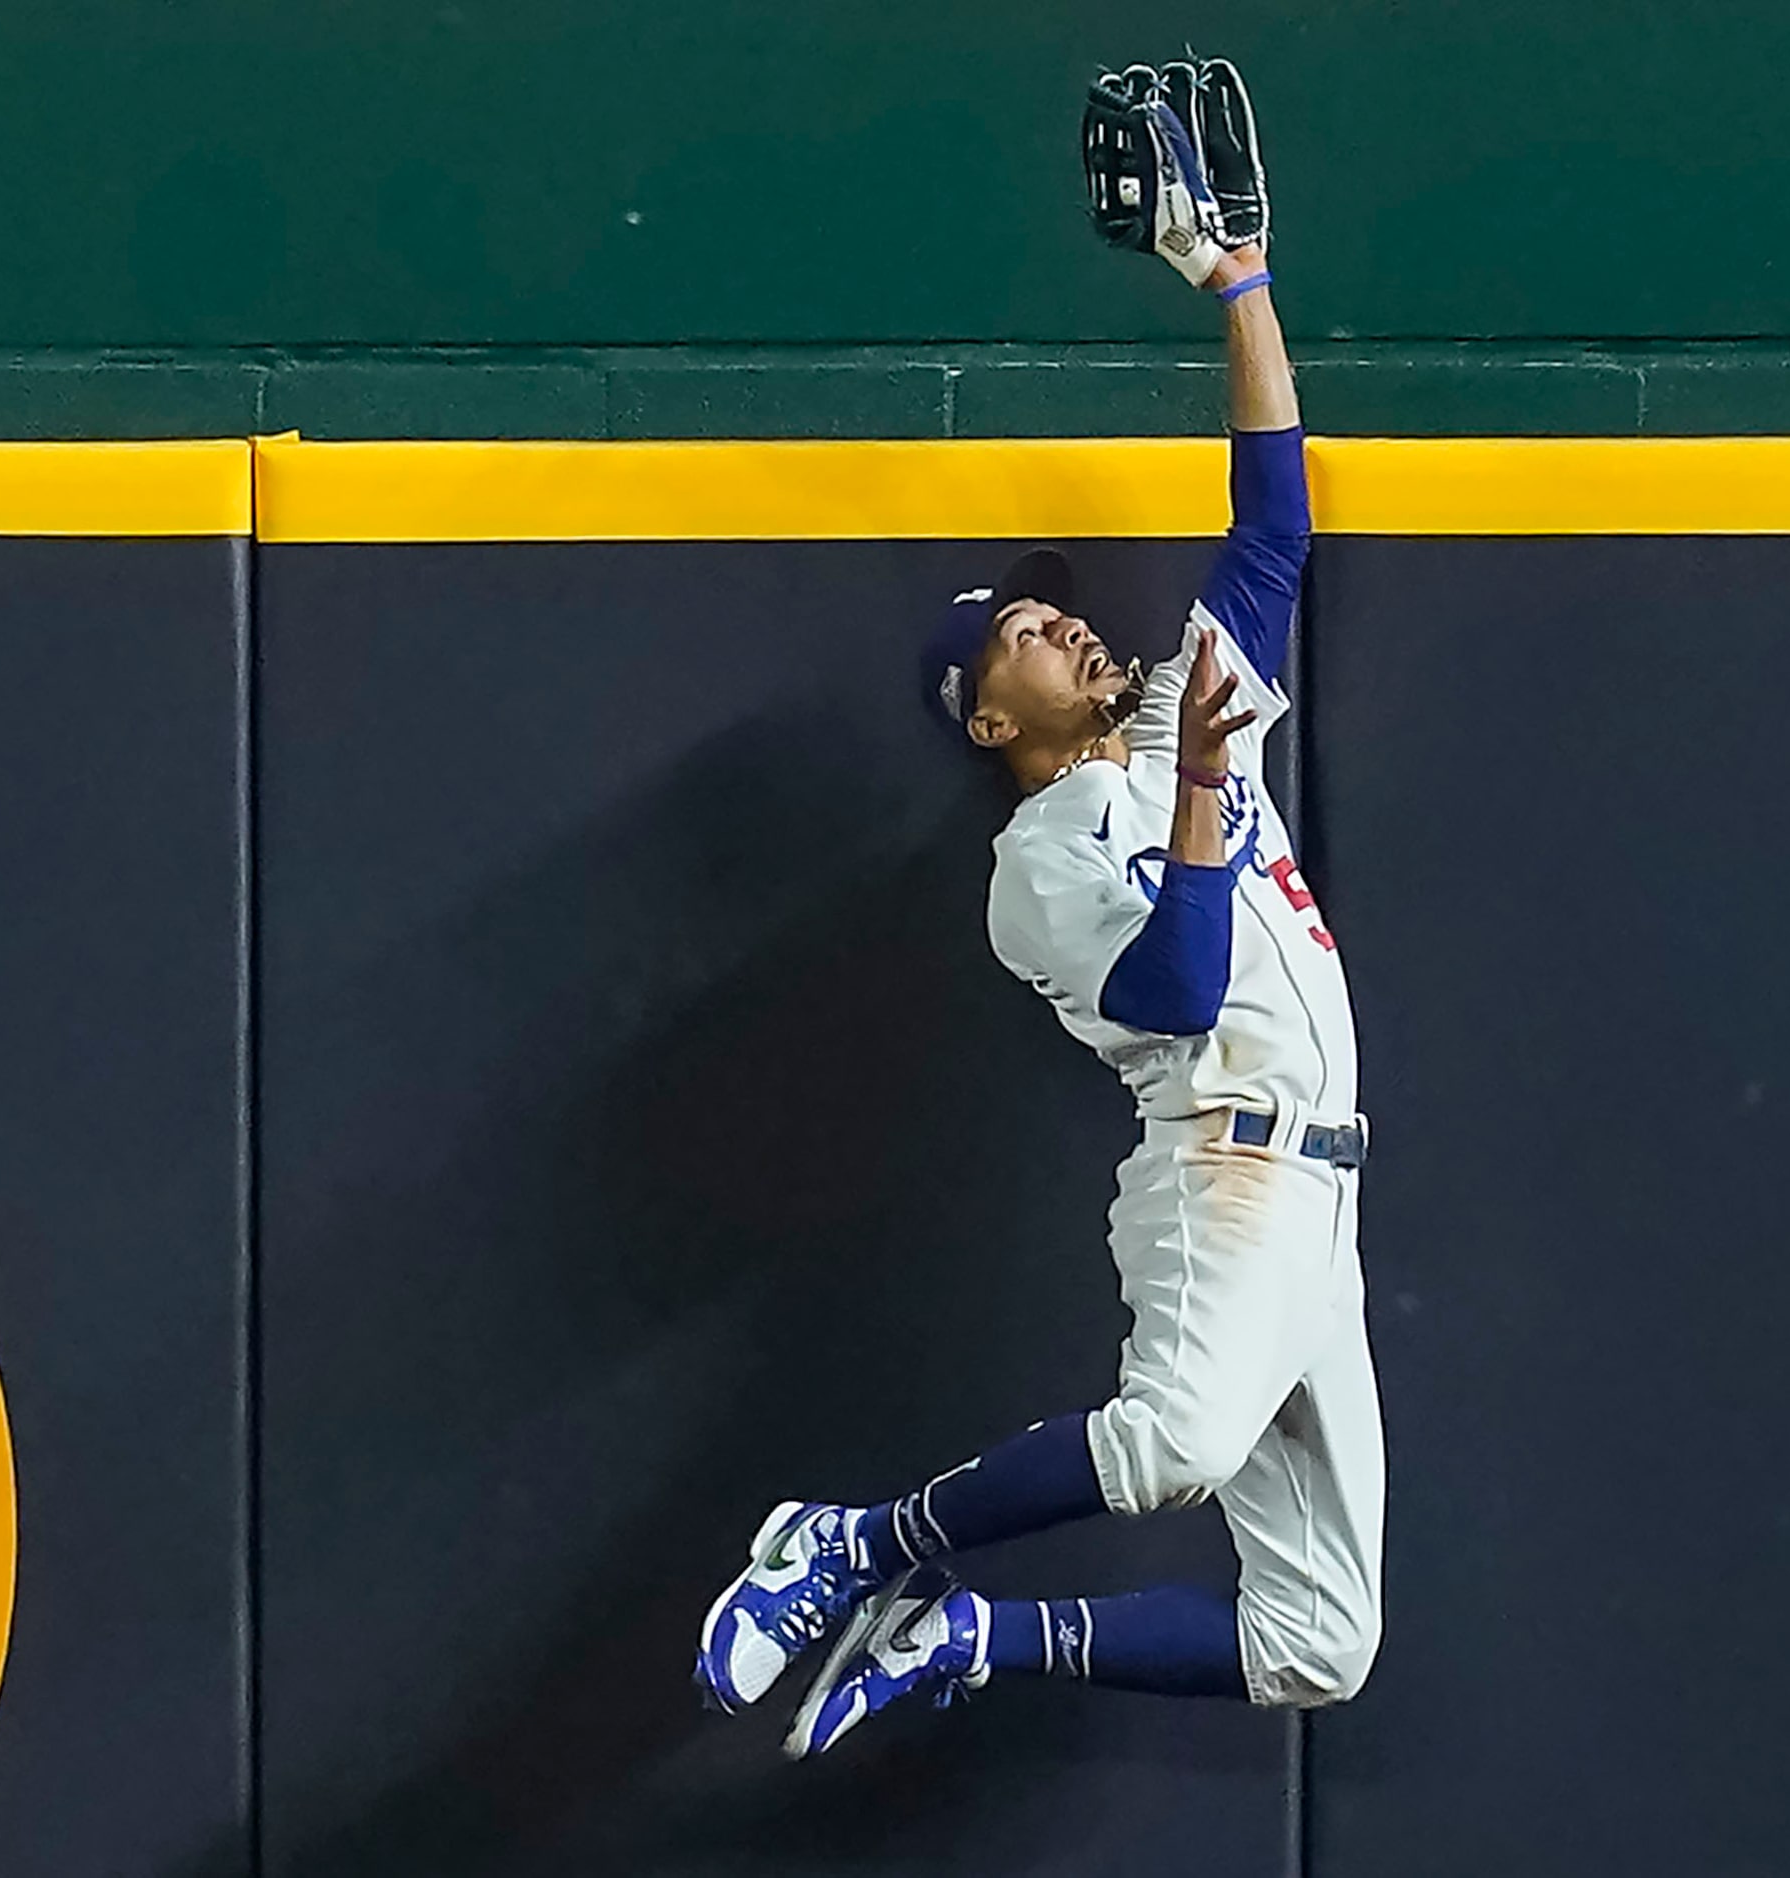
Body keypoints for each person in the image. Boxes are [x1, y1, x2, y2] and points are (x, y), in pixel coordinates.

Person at [694, 68, 1383, 1759]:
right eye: (1021, 631)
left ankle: (968, 1635)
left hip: (1328, 1195)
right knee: (1168, 1448)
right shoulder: (1039, 865)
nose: (1065, 630)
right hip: (1218, 1165)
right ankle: (850, 1544)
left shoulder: (1166, 717)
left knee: (1321, 1641)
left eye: (1059, 615)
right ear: (988, 718)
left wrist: (1242, 290)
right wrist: (1211, 795)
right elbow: (1172, 990)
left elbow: (1275, 532)